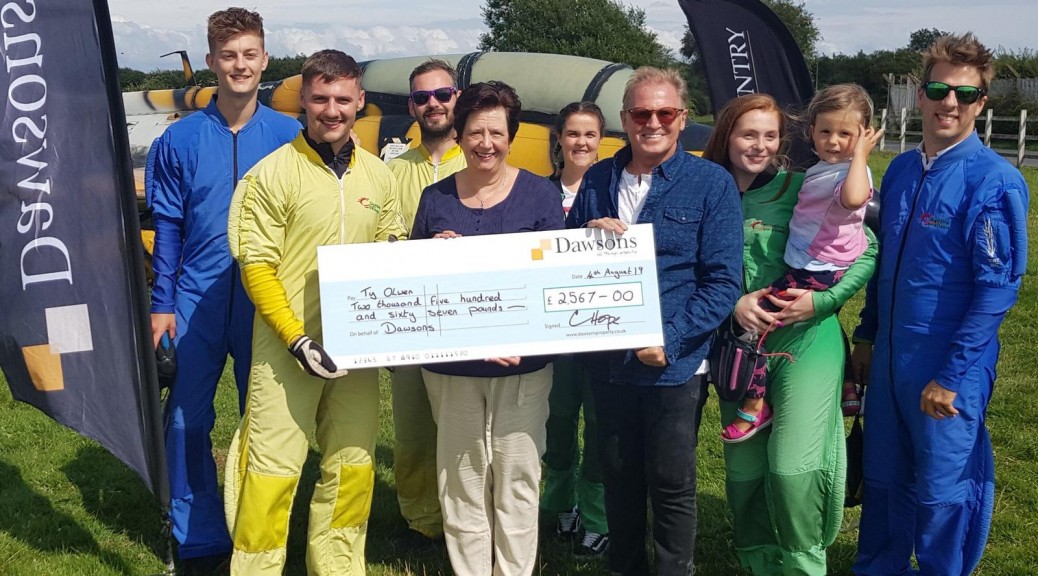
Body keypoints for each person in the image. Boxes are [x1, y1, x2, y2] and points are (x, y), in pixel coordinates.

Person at [223, 49, 407, 575]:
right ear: (303, 99)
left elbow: (392, 243)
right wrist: (295, 339)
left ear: (360, 102)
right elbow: (257, 267)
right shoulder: (271, 175)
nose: (332, 109)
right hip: (288, 348)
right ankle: (256, 568)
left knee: (352, 465)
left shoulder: (379, 175)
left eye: (343, 99)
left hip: (357, 347)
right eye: (321, 98)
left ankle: (338, 567)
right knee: (272, 469)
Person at [852, 33, 1029, 576]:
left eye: (965, 95)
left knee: (941, 485)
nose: (948, 103)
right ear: (920, 95)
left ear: (982, 103)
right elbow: (887, 265)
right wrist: (867, 332)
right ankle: (879, 568)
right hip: (888, 361)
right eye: (937, 89)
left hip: (949, 365)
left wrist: (951, 375)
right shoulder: (901, 171)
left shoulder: (994, 182)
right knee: (884, 474)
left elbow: (997, 288)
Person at [567, 67, 743, 576]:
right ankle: (623, 568)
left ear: (682, 119)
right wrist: (585, 233)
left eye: (665, 113)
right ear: (625, 119)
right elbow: (566, 260)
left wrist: (669, 340)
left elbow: (723, 281)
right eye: (642, 113)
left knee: (671, 484)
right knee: (618, 477)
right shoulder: (599, 178)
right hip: (609, 361)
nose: (653, 122)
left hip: (674, 366)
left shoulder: (711, 183)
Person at [144, 7, 300, 572]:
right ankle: (198, 535)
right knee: (188, 416)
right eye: (228, 56)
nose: (240, 65)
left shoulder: (291, 137)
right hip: (195, 297)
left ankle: (262, 530)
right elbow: (167, 225)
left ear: (264, 59)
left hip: (267, 298)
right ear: (211, 62)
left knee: (267, 420)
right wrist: (162, 304)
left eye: (249, 54)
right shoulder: (179, 139)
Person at [701, 92, 877, 575]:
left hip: (806, 340)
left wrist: (822, 301)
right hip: (738, 349)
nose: (759, 145)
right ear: (727, 135)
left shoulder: (804, 187)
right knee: (744, 471)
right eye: (748, 134)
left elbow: (866, 250)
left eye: (770, 135)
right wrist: (732, 307)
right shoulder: (702, 191)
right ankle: (759, 561)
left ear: (782, 141)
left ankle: (804, 564)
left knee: (792, 468)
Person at [410, 81, 564, 576]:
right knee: (461, 477)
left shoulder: (540, 195)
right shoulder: (435, 199)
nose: (485, 143)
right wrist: (433, 255)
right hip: (452, 369)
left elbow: (554, 285)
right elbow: (412, 283)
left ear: (511, 136)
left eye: (496, 132)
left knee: (518, 475)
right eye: (474, 131)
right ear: (458, 134)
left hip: (523, 368)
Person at [721, 84, 883, 443]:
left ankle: (756, 402)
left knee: (758, 327)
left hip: (818, 269)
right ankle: (847, 389)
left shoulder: (849, 172)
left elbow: (858, 208)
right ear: (810, 131)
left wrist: (861, 157)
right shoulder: (818, 172)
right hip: (805, 264)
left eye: (846, 134)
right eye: (825, 131)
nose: (834, 141)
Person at [385, 59, 466, 545]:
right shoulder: (393, 171)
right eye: (421, 97)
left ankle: (468, 518)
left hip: (469, 318)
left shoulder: (479, 161)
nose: (433, 104)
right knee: (413, 430)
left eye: (442, 94)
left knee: (467, 434)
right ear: (411, 106)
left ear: (457, 97)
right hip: (411, 322)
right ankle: (421, 520)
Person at [540, 101, 610, 556]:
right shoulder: (536, 191)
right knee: (557, 422)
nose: (581, 142)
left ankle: (598, 516)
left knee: (603, 427)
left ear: (600, 140)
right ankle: (559, 505)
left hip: (602, 332)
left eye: (589, 134)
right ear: (559, 140)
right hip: (552, 333)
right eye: (572, 134)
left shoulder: (611, 192)